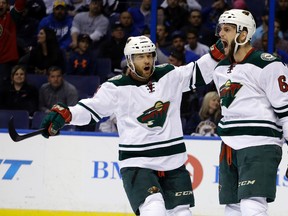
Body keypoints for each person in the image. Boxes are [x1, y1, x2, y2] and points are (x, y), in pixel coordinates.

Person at [38, 35, 224, 215]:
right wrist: (67, 114)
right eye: (140, 56)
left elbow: (198, 71)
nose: (147, 60)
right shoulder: (115, 88)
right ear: (129, 60)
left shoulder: (169, 74)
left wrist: (216, 54)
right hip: (138, 162)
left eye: (149, 55)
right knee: (154, 209)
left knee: (182, 212)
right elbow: (91, 108)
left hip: (172, 161)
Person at [192, 9, 288, 215]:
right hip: (230, 146)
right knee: (233, 206)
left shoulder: (269, 64)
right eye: (220, 29)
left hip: (260, 144)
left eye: (227, 29)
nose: (220, 34)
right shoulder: (219, 68)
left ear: (243, 34)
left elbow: (286, 112)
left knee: (252, 204)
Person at [0, 0, 26, 93]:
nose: (0, 5)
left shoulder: (11, 18)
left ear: (7, 5)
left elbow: (20, 4)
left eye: (3, 3)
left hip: (5, 63)